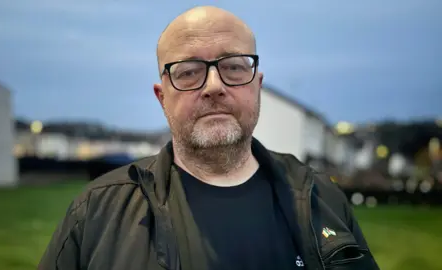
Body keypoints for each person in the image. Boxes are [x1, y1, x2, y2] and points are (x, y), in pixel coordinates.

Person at [38, 6, 379, 270]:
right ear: (162, 97)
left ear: (256, 86)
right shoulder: (97, 212)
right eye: (188, 72)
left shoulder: (322, 199)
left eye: (233, 66)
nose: (214, 87)